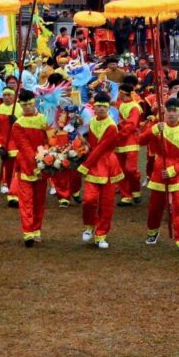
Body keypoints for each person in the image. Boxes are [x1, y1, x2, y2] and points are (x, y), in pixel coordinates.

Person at [140, 98, 179, 252]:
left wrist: (174, 170)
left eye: (175, 111)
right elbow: (140, 141)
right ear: (164, 111)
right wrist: (152, 131)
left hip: (177, 175)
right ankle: (152, 232)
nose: (171, 114)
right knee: (155, 207)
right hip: (159, 171)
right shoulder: (157, 127)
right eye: (169, 110)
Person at [77, 92, 122, 249]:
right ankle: (90, 225)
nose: (101, 109)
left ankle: (101, 234)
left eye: (104, 106)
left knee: (106, 203)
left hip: (108, 165)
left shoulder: (111, 126)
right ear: (94, 107)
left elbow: (101, 148)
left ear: (108, 107)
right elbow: (92, 146)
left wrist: (85, 165)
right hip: (94, 164)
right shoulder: (92, 122)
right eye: (98, 106)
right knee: (89, 200)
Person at [8, 90, 49, 246]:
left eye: (30, 104)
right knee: (26, 201)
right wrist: (37, 162)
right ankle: (28, 232)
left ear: (35, 103)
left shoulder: (44, 120)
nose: (27, 107)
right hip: (26, 165)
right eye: (24, 105)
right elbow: (24, 147)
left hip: (43, 164)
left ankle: (37, 229)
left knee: (39, 200)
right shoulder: (18, 124)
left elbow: (50, 139)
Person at [115, 84, 143, 206]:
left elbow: (131, 125)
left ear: (124, 93)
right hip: (120, 140)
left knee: (130, 169)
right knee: (121, 170)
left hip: (130, 140)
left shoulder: (135, 107)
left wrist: (119, 131)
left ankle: (136, 190)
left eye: (119, 92)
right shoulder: (120, 105)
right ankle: (126, 195)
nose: (118, 95)